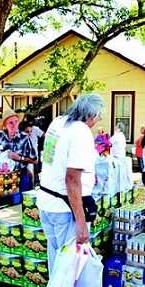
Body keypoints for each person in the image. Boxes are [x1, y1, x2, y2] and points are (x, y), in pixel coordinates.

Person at [36, 93, 106, 275]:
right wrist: (81, 222)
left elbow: (53, 159)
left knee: (57, 263)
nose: (96, 122)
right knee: (70, 270)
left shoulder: (58, 122)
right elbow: (72, 179)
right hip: (64, 208)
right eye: (98, 117)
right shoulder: (80, 131)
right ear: (92, 115)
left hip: (46, 201)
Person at [0, 110, 37, 192]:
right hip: (2, 178)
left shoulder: (25, 137)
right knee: (5, 203)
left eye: (16, 122)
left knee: (21, 202)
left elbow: (35, 160)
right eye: (11, 123)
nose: (14, 125)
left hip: (21, 176)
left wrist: (20, 158)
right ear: (5, 124)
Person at [19, 121, 40, 186]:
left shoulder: (30, 140)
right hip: (23, 171)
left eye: (31, 131)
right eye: (27, 132)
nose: (30, 134)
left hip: (30, 166)